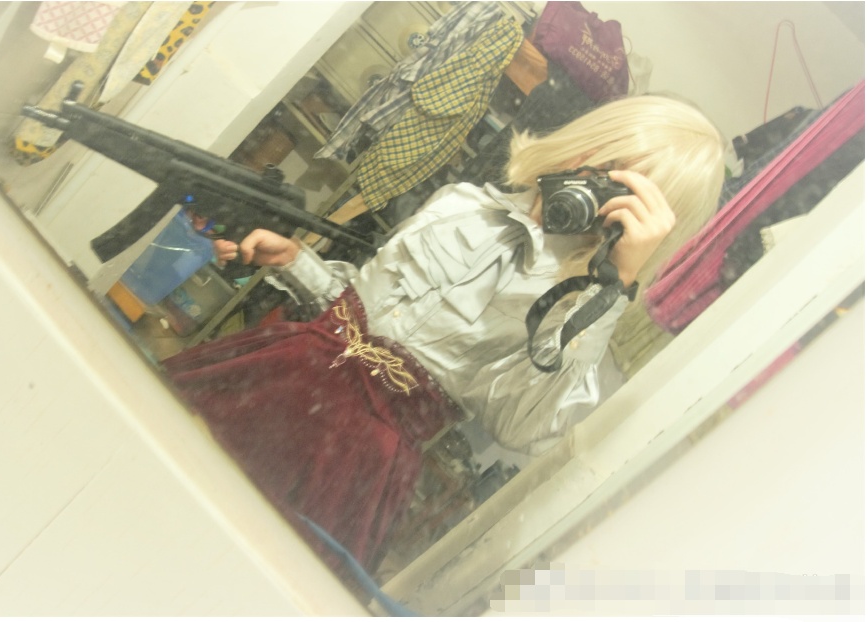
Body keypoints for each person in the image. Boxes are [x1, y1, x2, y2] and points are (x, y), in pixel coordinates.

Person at [162, 95, 726, 574]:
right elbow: (362, 312)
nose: (590, 173)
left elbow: (522, 425)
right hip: (270, 376)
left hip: (348, 463)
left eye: (621, 182)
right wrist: (295, 261)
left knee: (240, 575)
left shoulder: (577, 303)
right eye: (603, 154)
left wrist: (611, 287)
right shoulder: (462, 203)